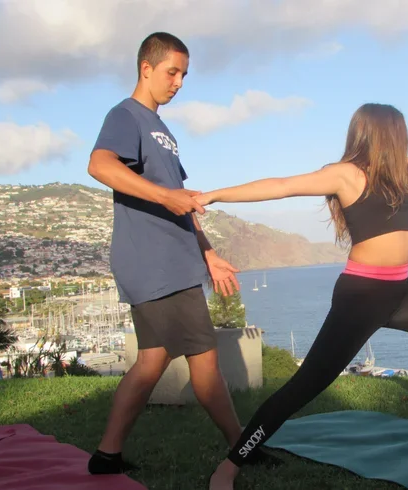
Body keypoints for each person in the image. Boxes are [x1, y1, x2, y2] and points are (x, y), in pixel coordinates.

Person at [197, 103, 408, 489]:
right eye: (401, 131)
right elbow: (281, 186)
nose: (406, 138)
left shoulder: (405, 172)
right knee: (303, 387)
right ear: (383, 134)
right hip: (360, 298)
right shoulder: (347, 175)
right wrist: (214, 195)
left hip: (399, 292)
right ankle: (230, 466)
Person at [86, 31, 270, 475]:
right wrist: (164, 196)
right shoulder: (125, 115)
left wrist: (207, 252)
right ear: (146, 68)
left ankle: (107, 455)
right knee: (205, 363)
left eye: (184, 75)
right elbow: (99, 164)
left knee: (151, 361)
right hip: (157, 264)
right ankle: (242, 449)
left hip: (175, 260)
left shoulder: (162, 131)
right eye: (172, 72)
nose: (179, 83)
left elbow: (180, 200)